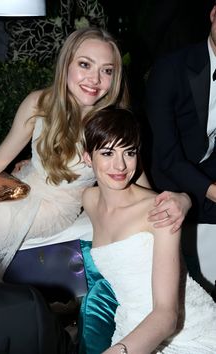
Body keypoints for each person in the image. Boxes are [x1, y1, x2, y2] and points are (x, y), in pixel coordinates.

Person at [0, 26, 189, 282]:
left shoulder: (109, 124)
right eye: (85, 64)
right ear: (66, 64)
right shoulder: (39, 102)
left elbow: (138, 183)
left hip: (52, 208)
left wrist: (180, 200)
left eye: (107, 70)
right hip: (23, 184)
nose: (95, 79)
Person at [79, 107, 216, 354]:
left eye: (129, 152)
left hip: (184, 333)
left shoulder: (159, 212)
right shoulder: (89, 199)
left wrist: (120, 351)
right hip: (131, 324)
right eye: (108, 153)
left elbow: (166, 315)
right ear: (88, 157)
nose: (120, 165)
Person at [145, 1, 216, 294]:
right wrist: (213, 190)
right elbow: (167, 155)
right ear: (213, 14)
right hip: (167, 183)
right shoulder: (170, 69)